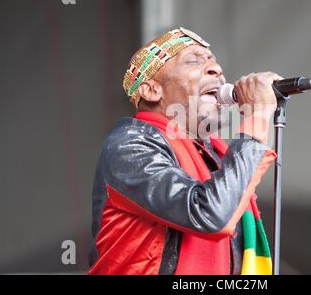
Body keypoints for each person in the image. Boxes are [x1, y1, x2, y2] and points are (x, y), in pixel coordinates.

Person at [88, 27, 283, 275]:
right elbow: (211, 215)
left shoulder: (215, 155)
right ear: (151, 90)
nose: (217, 69)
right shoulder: (129, 145)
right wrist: (257, 118)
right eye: (193, 60)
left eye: (214, 61)